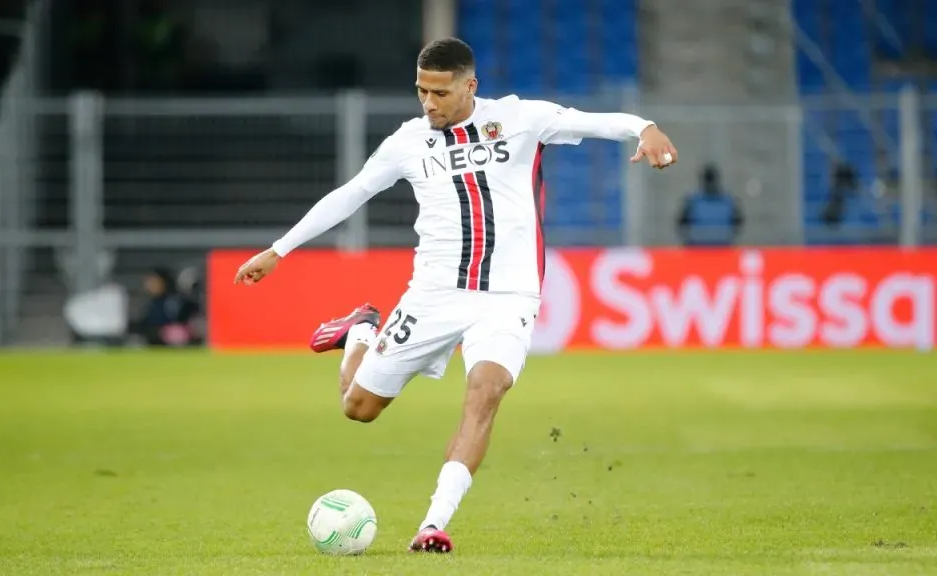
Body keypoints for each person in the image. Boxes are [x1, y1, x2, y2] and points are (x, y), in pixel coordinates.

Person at [233, 37, 678, 553]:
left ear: (470, 86)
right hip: (435, 293)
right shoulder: (408, 141)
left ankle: (433, 524)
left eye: (440, 93)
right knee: (358, 407)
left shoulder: (518, 119)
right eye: (421, 91)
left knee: (486, 392)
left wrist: (644, 127)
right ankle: (361, 331)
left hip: (508, 295)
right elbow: (351, 193)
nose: (428, 103)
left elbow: (595, 121)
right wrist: (279, 249)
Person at [676, 163, 743, 246]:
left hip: (721, 247)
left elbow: (738, 223)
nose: (710, 184)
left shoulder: (728, 201)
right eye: (708, 180)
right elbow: (681, 224)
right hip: (698, 247)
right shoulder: (692, 201)